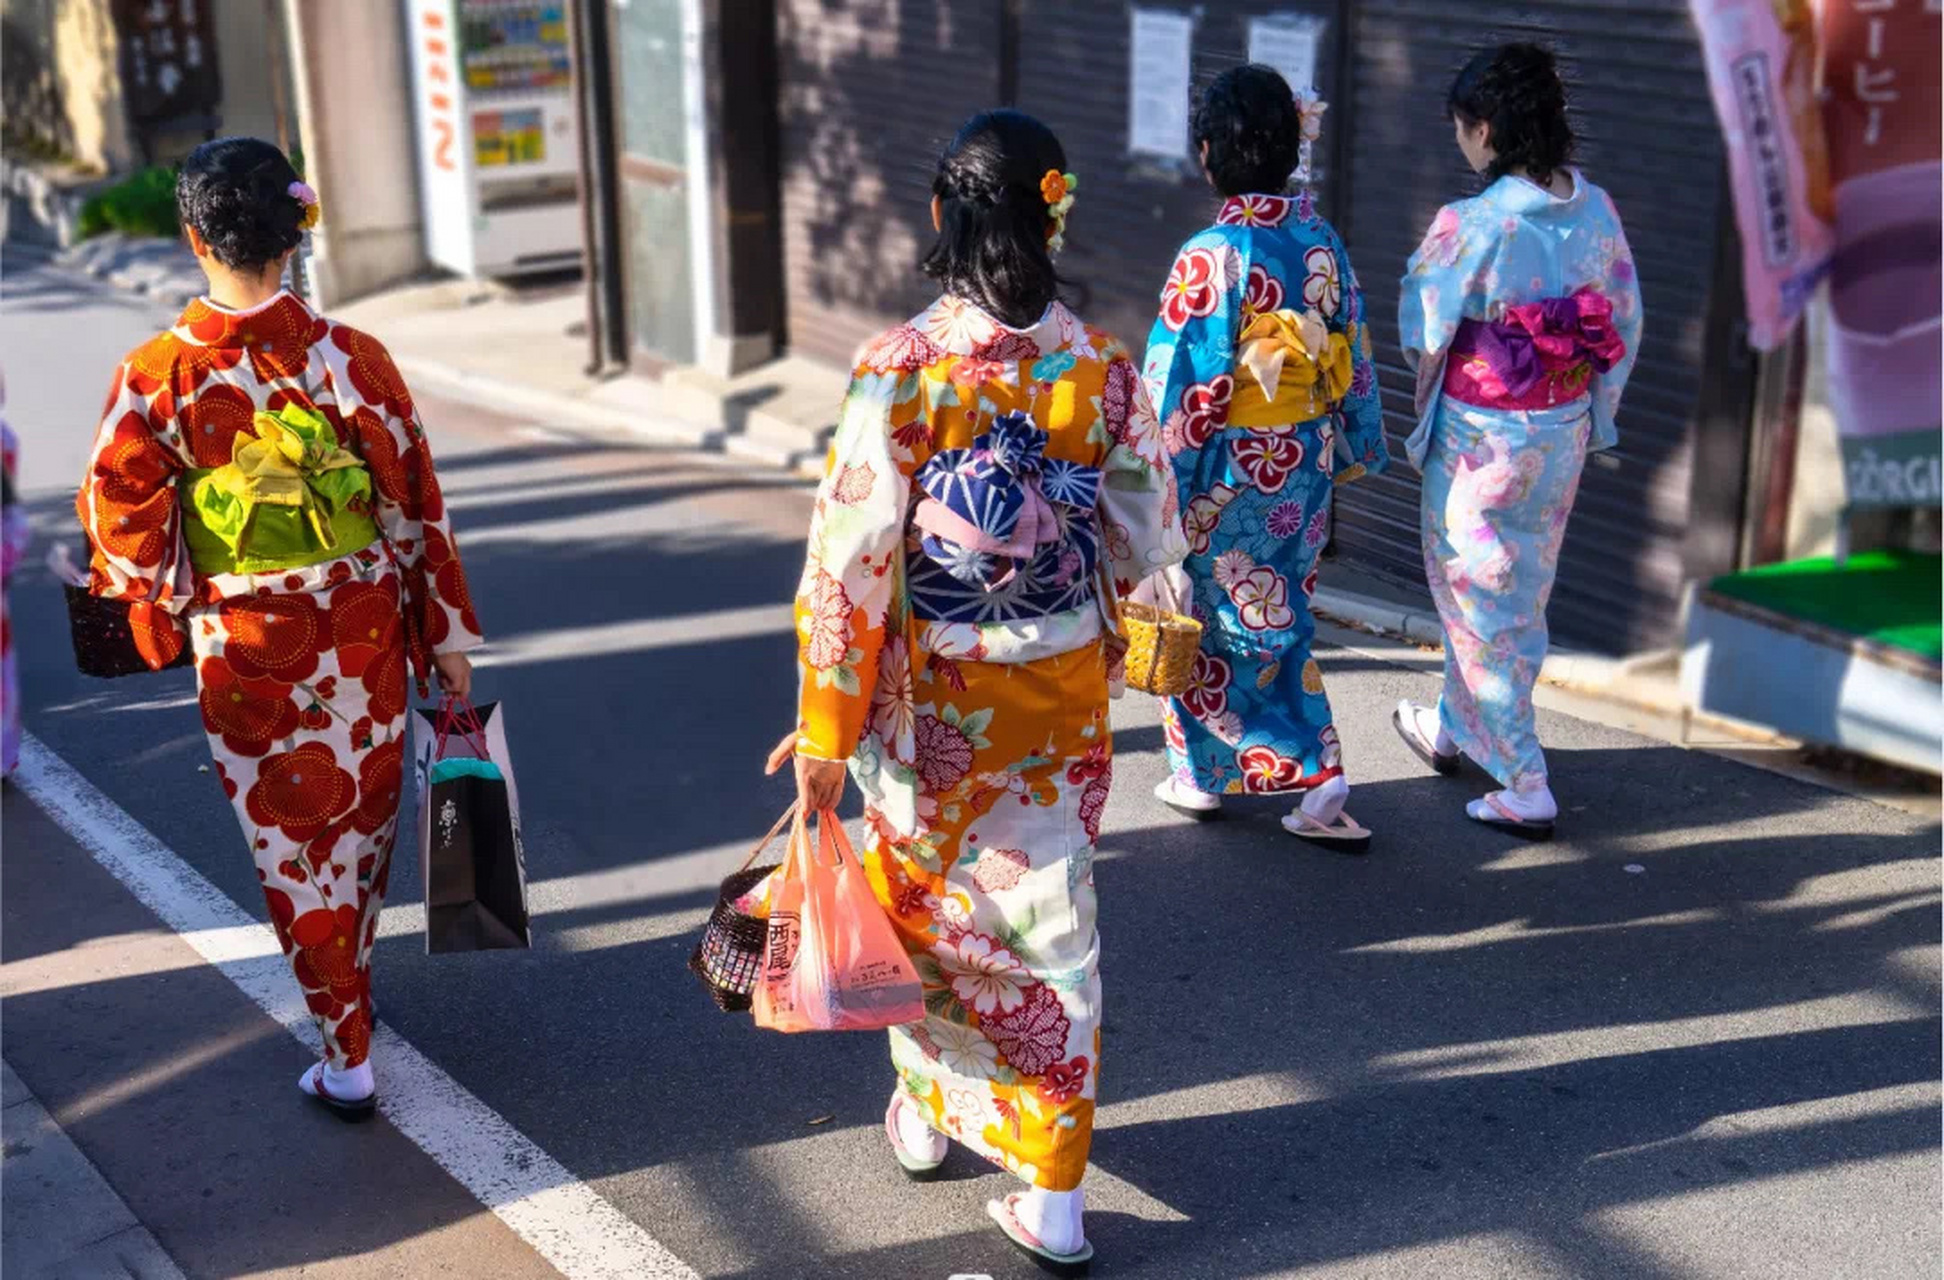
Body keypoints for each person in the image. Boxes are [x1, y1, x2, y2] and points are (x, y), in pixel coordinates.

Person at [765, 110, 1183, 1268]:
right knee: (1055, 929)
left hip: (929, 718)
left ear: (945, 217)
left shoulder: (900, 372)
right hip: (1055, 706)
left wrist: (823, 726)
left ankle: (930, 1109)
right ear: (1054, 212)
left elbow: (848, 567)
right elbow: (1151, 539)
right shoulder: (1100, 367)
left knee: (931, 921)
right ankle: (1052, 1188)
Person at [77, 138, 482, 1115]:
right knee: (355, 829)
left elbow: (121, 524)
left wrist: (169, 595)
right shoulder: (352, 359)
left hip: (248, 649)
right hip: (362, 638)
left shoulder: (155, 375)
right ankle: (353, 1000)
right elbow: (413, 504)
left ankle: (345, 1044)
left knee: (291, 848)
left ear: (192, 239)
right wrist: (449, 636)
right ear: (297, 232)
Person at [1394, 44, 1643, 837]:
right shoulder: (1595, 209)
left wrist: (1431, 375)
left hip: (1483, 437)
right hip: (1559, 428)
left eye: (1465, 128)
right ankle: (1452, 724)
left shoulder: (1473, 223)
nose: (1462, 141)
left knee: (1476, 594)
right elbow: (1623, 320)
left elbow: (1422, 326)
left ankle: (1524, 777)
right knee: (1512, 589)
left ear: (1489, 128)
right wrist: (1593, 405)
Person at [1141, 65, 1390, 849]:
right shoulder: (1321, 239)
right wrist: (1355, 436)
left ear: (1209, 152)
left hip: (1226, 463)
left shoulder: (1211, 254)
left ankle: (1297, 768)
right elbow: (1352, 348)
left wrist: (1153, 481)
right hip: (1300, 456)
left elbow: (1179, 383)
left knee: (1205, 610)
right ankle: (1268, 771)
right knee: (1277, 607)